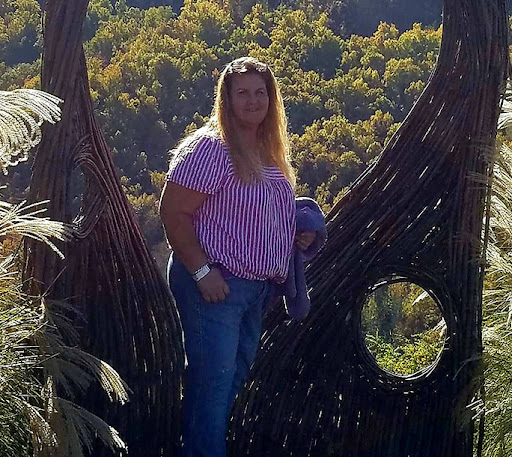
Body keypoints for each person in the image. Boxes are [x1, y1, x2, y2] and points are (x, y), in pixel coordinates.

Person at [159, 56, 316, 457]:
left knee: (226, 385)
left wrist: (295, 232)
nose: (252, 101)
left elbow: (258, 212)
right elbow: (173, 213)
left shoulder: (266, 150)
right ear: (226, 99)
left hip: (254, 291)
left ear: (271, 99)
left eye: (260, 92)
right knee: (212, 387)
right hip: (216, 286)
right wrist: (202, 272)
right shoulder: (211, 148)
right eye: (242, 92)